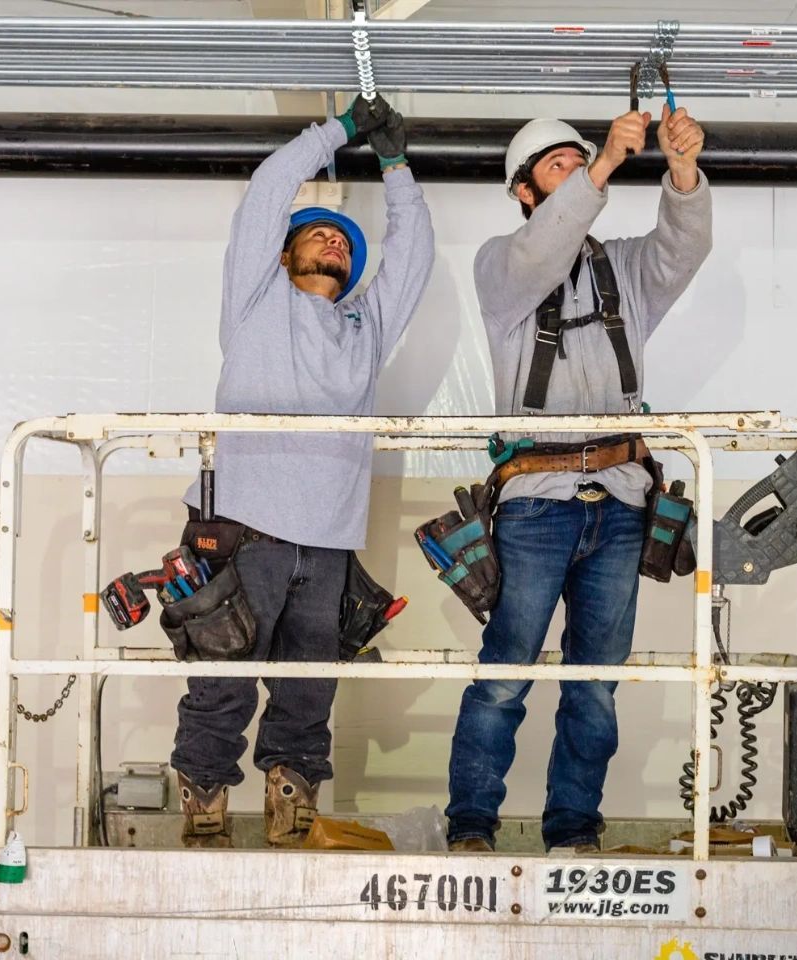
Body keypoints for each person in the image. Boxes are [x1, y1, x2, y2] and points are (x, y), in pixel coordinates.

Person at [445, 105, 713, 853]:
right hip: (536, 504)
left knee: (595, 683)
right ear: (524, 194)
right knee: (505, 676)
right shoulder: (501, 266)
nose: (576, 175)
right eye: (557, 168)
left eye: (580, 163)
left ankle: (573, 830)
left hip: (623, 503)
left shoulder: (620, 270)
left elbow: (682, 248)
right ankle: (471, 825)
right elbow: (541, 256)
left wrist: (682, 170)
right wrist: (598, 170)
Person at [170, 94, 433, 848]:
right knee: (220, 677)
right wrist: (340, 131)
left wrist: (394, 165)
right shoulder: (256, 301)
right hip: (241, 529)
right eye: (317, 234)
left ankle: (293, 803)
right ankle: (206, 801)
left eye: (344, 241)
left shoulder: (364, 327)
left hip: (326, 543)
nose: (334, 243)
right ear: (283, 255)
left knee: (308, 690)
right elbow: (267, 190)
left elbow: (411, 255)